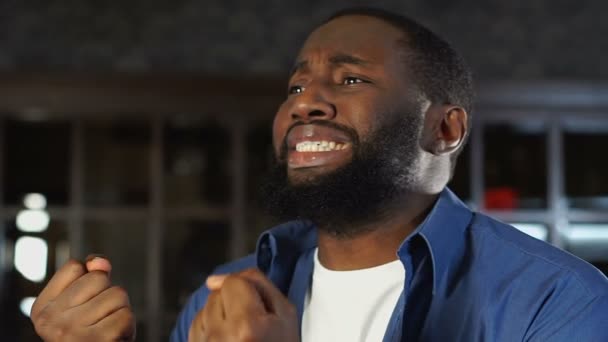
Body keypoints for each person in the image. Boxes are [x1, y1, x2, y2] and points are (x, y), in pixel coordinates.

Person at [31, 7, 608, 342]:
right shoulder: (231, 292)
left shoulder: (558, 301)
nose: (306, 104)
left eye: (350, 80)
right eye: (296, 87)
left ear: (446, 130)